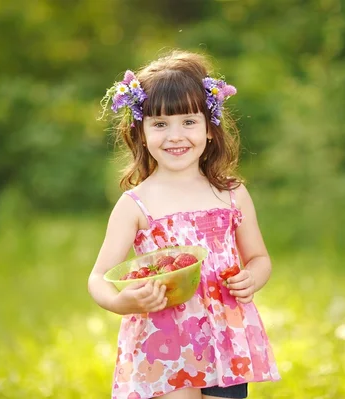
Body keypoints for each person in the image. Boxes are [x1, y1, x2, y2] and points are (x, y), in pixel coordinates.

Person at [88, 49, 280, 399]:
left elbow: (259, 258)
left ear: (209, 129)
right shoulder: (136, 205)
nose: (175, 135)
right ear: (141, 133)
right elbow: (98, 276)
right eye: (160, 124)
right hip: (164, 337)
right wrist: (121, 303)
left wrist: (252, 278)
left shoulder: (232, 193)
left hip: (226, 335)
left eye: (189, 122)